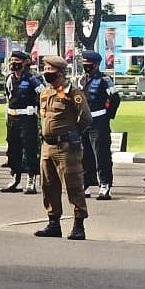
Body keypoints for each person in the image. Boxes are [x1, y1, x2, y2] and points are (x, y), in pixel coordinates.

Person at [34, 56, 92, 240]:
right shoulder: (45, 93)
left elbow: (86, 118)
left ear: (60, 72)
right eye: (45, 69)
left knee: (73, 185)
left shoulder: (72, 93)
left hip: (66, 147)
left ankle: (78, 225)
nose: (46, 72)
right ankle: (53, 223)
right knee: (48, 186)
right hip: (47, 146)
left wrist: (72, 134)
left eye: (49, 70)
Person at [78, 50, 120, 200]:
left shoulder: (105, 79)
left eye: (89, 64)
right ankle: (87, 183)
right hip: (84, 122)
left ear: (96, 64)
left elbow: (115, 98)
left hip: (99, 121)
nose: (86, 66)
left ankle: (105, 184)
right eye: (84, 63)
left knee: (101, 154)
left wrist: (108, 116)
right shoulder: (81, 79)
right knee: (84, 154)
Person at [0, 51, 44, 195]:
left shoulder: (33, 79)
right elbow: (9, 97)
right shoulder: (10, 78)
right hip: (13, 118)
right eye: (12, 60)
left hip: (28, 119)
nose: (14, 62)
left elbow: (43, 96)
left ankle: (31, 180)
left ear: (25, 62)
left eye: (17, 60)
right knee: (13, 150)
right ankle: (15, 178)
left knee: (30, 149)